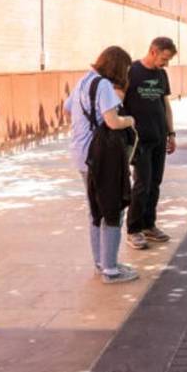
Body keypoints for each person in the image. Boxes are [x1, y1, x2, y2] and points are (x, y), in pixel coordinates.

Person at [63, 46, 138, 284]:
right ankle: (111, 270)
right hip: (102, 158)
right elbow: (113, 122)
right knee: (112, 209)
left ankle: (101, 263)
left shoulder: (84, 80)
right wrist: (130, 120)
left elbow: (66, 109)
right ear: (117, 66)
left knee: (95, 210)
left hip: (81, 155)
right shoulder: (104, 85)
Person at [123, 37, 178, 250]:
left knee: (155, 182)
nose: (166, 64)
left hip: (159, 136)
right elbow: (119, 102)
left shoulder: (161, 74)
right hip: (139, 140)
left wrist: (171, 133)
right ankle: (134, 229)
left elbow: (165, 105)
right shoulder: (131, 72)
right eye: (164, 58)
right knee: (142, 184)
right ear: (153, 51)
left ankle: (149, 225)